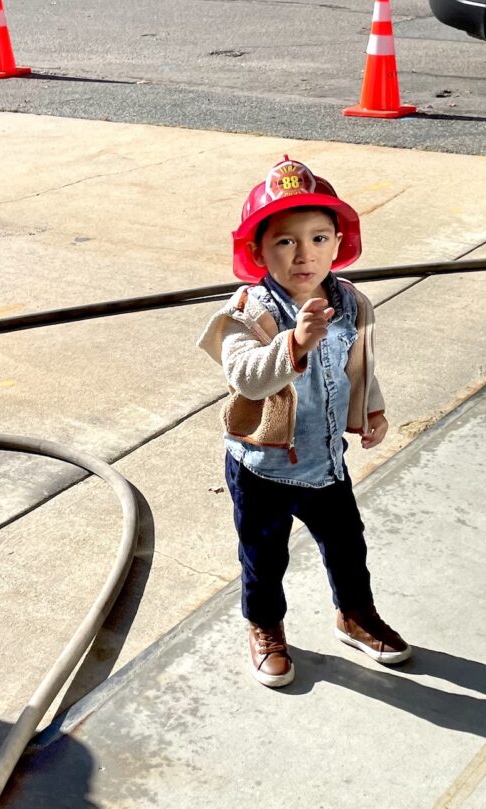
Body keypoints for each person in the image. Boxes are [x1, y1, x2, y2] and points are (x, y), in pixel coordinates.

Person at [197, 156, 411, 688]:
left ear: (340, 243)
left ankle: (354, 613)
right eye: (286, 241)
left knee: (347, 544)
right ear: (258, 251)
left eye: (319, 238)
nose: (304, 254)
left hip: (326, 460)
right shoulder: (247, 312)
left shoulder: (349, 302)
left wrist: (371, 410)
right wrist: (292, 343)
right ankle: (265, 627)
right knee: (264, 556)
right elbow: (247, 378)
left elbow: (356, 366)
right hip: (262, 466)